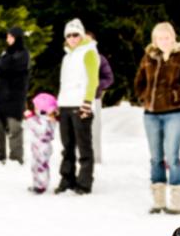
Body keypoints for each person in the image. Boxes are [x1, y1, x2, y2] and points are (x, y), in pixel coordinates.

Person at [134, 22, 180, 214]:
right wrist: (145, 97)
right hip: (151, 115)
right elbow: (139, 81)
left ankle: (177, 199)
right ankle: (158, 199)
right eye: (159, 38)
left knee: (172, 156)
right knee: (155, 157)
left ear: (173, 38)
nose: (164, 41)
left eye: (167, 37)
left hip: (174, 113)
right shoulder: (149, 57)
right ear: (155, 40)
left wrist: (176, 95)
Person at [55, 19, 100, 195]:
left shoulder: (89, 52)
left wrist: (87, 103)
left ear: (81, 35)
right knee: (67, 146)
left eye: (76, 35)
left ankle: (84, 182)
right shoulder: (67, 56)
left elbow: (93, 80)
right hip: (65, 104)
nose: (72, 38)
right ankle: (67, 179)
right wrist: (59, 104)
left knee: (84, 146)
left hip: (81, 105)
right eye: (69, 35)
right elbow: (64, 83)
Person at [0, 26, 31, 164]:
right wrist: (2, 62)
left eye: (10, 36)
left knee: (14, 129)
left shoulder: (23, 53)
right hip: (1, 95)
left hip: (15, 97)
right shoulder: (7, 53)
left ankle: (16, 159)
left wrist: (2, 62)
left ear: (17, 38)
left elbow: (8, 65)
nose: (7, 39)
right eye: (7, 36)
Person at [86, 31, 114, 164]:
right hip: (77, 98)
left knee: (94, 129)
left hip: (94, 99)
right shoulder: (75, 58)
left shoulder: (99, 58)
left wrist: (97, 85)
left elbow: (109, 78)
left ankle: (96, 158)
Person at [25, 92, 58, 194]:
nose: (34, 110)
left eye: (36, 107)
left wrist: (30, 119)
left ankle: (41, 186)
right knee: (35, 165)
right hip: (38, 146)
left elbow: (40, 130)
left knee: (40, 166)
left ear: (43, 110)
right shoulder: (45, 119)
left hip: (42, 147)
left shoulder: (46, 121)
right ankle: (38, 184)